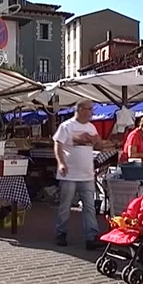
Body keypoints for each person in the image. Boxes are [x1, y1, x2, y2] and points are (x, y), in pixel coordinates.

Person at [53, 98, 105, 250]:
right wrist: (61, 163)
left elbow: (100, 146)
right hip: (69, 173)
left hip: (87, 174)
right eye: (90, 109)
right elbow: (57, 145)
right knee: (65, 205)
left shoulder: (91, 127)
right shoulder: (66, 126)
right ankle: (60, 233)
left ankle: (91, 237)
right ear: (80, 110)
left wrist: (98, 140)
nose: (92, 113)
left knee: (89, 206)